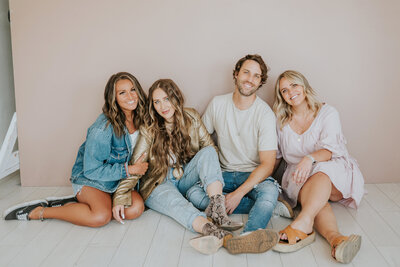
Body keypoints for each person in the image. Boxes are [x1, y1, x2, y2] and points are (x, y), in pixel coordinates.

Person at [112, 79, 273, 255]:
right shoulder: (149, 129)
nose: (162, 106)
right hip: (159, 183)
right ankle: (216, 233)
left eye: (166, 99)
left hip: (187, 176)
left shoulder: (192, 117)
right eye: (156, 102)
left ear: (175, 97)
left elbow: (210, 149)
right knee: (177, 205)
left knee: (209, 151)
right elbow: (136, 166)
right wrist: (119, 197)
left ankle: (218, 210)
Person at [4, 72, 147, 227]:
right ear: (114, 98)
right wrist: (130, 169)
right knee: (100, 217)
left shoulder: (142, 118)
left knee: (136, 209)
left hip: (118, 181)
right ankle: (40, 211)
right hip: (91, 180)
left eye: (133, 90)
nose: (130, 96)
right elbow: (92, 171)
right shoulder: (102, 129)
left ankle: (81, 205)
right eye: (122, 93)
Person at [271, 70, 364, 264]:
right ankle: (337, 240)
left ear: (304, 86)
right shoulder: (280, 121)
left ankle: (302, 223)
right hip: (300, 178)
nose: (291, 92)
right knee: (315, 199)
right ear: (282, 96)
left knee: (321, 173)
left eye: (294, 85)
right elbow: (277, 157)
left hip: (333, 171)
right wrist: (266, 182)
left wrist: (309, 158)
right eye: (285, 90)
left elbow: (330, 151)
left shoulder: (327, 113)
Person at [186, 54, 282, 242]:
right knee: (192, 194)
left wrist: (238, 194)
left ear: (260, 81)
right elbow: (200, 141)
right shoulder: (218, 104)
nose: (250, 79)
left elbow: (268, 164)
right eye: (246, 72)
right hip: (223, 174)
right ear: (236, 74)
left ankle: (248, 236)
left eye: (256, 76)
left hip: (253, 175)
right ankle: (266, 206)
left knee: (270, 192)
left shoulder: (265, 114)